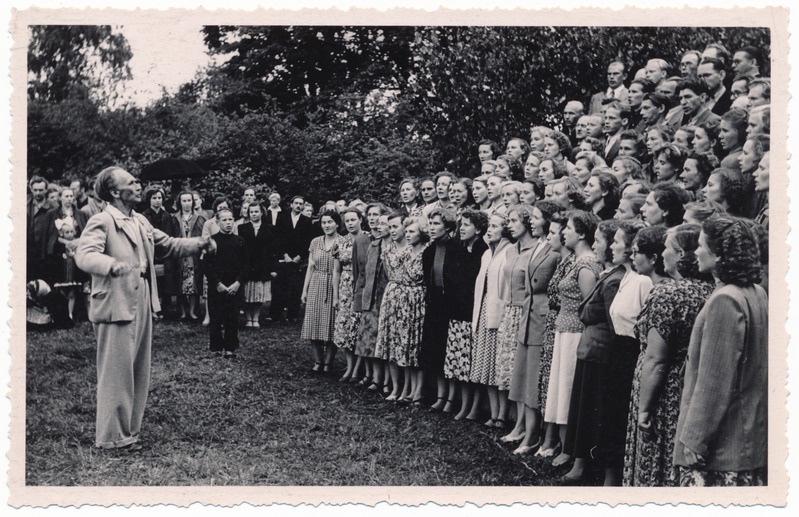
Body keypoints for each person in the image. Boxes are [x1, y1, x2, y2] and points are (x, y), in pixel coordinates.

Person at [75, 166, 215, 450]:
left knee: (138, 369)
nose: (139, 186)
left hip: (140, 297)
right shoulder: (103, 220)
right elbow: (85, 255)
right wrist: (109, 265)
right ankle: (112, 438)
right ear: (115, 192)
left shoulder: (139, 220)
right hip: (115, 300)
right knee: (116, 373)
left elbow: (169, 245)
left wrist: (199, 243)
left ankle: (128, 433)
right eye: (132, 182)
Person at [674, 216, 767, 487]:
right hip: (747, 438)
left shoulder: (725, 299)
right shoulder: (756, 292)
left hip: (723, 446)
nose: (696, 251)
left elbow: (715, 380)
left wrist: (695, 438)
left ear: (720, 254)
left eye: (702, 245)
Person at [623, 223, 714, 487]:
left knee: (655, 459)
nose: (662, 253)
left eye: (667, 248)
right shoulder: (711, 291)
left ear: (682, 255)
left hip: (663, 392)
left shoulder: (668, 294)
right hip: (690, 390)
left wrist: (644, 410)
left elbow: (656, 359)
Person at [559, 219, 625, 485]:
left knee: (590, 410)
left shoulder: (613, 280)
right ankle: (580, 462)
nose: (595, 246)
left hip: (599, 351)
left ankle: (584, 465)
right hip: (590, 349)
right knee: (583, 409)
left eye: (599, 241)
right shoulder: (607, 275)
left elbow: (611, 323)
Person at [542, 210, 602, 466]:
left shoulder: (587, 265)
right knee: (561, 388)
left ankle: (570, 449)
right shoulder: (577, 261)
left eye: (568, 228)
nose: (563, 232)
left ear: (582, 233)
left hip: (576, 334)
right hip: (564, 331)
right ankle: (564, 445)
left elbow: (591, 308)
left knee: (569, 390)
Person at [503, 201, 561, 454]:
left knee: (535, 379)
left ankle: (534, 435)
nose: (532, 222)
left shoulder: (555, 251)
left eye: (536, 218)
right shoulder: (537, 246)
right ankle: (524, 429)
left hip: (541, 318)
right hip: (528, 315)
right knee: (523, 375)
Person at [445, 209, 489, 420]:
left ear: (479, 229)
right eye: (460, 225)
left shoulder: (483, 251)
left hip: (472, 313)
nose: (461, 229)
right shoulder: (462, 249)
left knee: (471, 362)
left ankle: (474, 406)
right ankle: (463, 404)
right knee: (460, 363)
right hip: (457, 309)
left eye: (466, 225)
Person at [470, 212, 512, 427]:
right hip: (484, 311)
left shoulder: (509, 253)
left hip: (500, 313)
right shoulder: (487, 254)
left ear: (505, 229)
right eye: (489, 225)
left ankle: (502, 415)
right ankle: (493, 413)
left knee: (498, 367)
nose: (489, 229)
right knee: (486, 365)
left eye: (495, 226)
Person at [423, 209, 461, 410]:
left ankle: (451, 398)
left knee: (450, 350)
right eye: (430, 223)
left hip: (451, 304)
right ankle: (439, 395)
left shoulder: (457, 249)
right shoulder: (429, 251)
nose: (432, 227)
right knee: (435, 349)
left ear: (447, 227)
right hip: (434, 303)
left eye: (436, 224)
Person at [300, 209, 343, 374]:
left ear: (337, 223)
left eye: (330, 222)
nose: (327, 225)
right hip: (316, 282)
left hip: (334, 284)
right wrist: (304, 290)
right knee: (314, 321)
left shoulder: (343, 241)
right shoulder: (315, 242)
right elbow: (310, 267)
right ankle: (318, 361)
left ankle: (328, 362)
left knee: (332, 323)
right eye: (324, 222)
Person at [353, 205, 391, 390]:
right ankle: (372, 376)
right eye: (371, 215)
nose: (374, 220)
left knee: (383, 341)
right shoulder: (372, 245)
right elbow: (363, 274)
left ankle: (385, 379)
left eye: (380, 218)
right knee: (368, 339)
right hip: (370, 297)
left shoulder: (393, 246)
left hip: (387, 298)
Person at [204, 208, 247, 358]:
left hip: (234, 286)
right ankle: (216, 347)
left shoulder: (240, 241)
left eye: (230, 219)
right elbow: (206, 266)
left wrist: (238, 283)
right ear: (217, 222)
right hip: (217, 286)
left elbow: (246, 265)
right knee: (216, 317)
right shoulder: (212, 241)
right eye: (224, 220)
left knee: (232, 318)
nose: (228, 223)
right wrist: (217, 283)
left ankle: (230, 348)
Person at [333, 207, 370, 382]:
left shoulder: (368, 239)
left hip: (362, 284)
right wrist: (335, 295)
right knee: (346, 327)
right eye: (346, 221)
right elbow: (336, 271)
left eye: (353, 220)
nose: (350, 223)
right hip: (346, 286)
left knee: (361, 325)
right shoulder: (341, 242)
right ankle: (349, 366)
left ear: (360, 219)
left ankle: (358, 369)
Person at [271, 195, 314, 322]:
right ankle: (276, 314)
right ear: (291, 204)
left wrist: (299, 256)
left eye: (301, 203)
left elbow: (308, 241)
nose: (298, 206)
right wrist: (284, 254)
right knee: (280, 286)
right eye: (296, 203)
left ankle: (292, 315)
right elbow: (277, 238)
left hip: (298, 260)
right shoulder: (282, 218)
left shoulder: (307, 221)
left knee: (295, 287)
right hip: (284, 258)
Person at [238, 202, 280, 328]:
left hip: (263, 265)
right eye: (251, 212)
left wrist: (273, 268)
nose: (254, 214)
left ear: (261, 212)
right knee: (247, 294)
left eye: (256, 211)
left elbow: (274, 250)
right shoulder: (242, 228)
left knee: (258, 294)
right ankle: (248, 318)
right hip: (247, 264)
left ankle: (255, 318)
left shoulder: (270, 228)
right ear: (248, 213)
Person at [172, 190, 206, 320]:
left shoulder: (199, 217)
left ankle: (192, 310)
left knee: (194, 282)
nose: (187, 203)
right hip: (180, 253)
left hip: (193, 254)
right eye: (184, 201)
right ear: (180, 203)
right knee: (181, 282)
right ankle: (182, 311)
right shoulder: (175, 218)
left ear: (193, 202)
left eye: (189, 200)